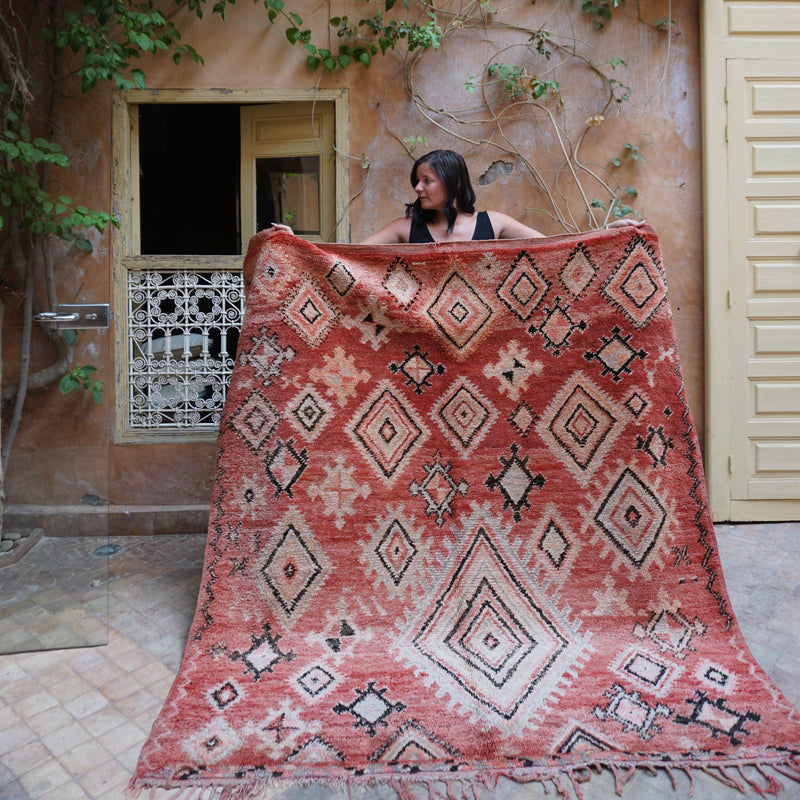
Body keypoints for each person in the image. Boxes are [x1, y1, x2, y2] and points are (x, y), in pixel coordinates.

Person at [266, 149, 639, 243]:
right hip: (422, 352)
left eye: (426, 180)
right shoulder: (403, 229)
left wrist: (609, 234)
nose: (417, 189)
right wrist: (297, 245)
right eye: (417, 181)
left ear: (452, 183)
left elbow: (556, 247)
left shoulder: (495, 223)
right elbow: (345, 259)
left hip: (487, 352)